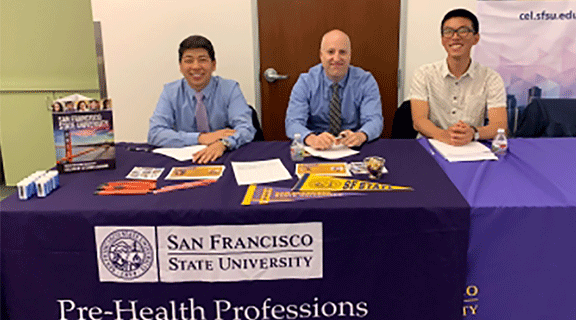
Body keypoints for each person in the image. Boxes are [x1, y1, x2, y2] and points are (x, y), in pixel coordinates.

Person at [148, 35, 255, 163]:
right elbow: (155, 133)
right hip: (186, 160)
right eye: (189, 60)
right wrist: (201, 138)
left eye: (202, 60)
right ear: (180, 66)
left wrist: (223, 144)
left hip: (222, 156)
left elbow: (246, 128)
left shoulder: (230, 88)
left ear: (213, 65)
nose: (196, 66)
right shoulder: (170, 92)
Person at [410, 8, 507, 146]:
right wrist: (444, 135)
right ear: (443, 40)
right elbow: (419, 121)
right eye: (448, 31)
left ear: (476, 38)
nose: (455, 37)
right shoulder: (424, 74)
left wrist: (473, 133)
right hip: (431, 144)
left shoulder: (491, 78)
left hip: (470, 145)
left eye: (463, 30)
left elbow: (500, 125)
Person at [285, 29, 383, 150]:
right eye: (330, 52)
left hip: (352, 147)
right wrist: (311, 138)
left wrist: (361, 135)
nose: (336, 58)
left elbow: (375, 120)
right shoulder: (305, 82)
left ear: (350, 55)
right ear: (321, 56)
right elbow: (293, 123)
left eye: (342, 52)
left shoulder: (365, 81)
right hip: (316, 148)